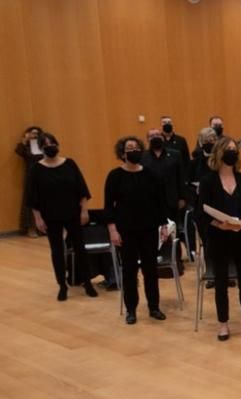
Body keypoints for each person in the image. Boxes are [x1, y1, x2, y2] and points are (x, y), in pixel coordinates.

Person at [197, 137, 241, 340]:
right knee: (221, 281)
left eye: (235, 150)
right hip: (219, 236)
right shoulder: (208, 180)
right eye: (228, 149)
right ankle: (223, 323)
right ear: (219, 152)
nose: (232, 153)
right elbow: (201, 213)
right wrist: (219, 224)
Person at [104, 136, 169, 325]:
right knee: (129, 270)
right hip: (126, 230)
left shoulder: (150, 174)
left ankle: (154, 307)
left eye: (136, 147)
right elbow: (109, 206)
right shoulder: (115, 176)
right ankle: (131, 309)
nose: (133, 150)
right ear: (123, 153)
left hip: (148, 228)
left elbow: (159, 203)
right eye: (129, 148)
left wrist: (163, 225)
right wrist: (112, 230)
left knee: (151, 270)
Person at [27, 132, 98, 300]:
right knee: (56, 250)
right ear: (41, 148)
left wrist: (84, 210)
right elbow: (32, 196)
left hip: (72, 212)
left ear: (57, 145)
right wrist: (38, 218)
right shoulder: (36, 168)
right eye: (45, 145)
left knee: (80, 248)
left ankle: (87, 282)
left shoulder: (69, 163)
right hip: (50, 214)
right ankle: (62, 285)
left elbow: (81, 189)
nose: (50, 147)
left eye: (52, 143)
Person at [141, 127, 187, 224]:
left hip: (171, 200)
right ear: (147, 139)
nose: (155, 137)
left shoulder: (175, 154)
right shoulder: (142, 157)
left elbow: (181, 177)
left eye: (158, 135)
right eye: (152, 136)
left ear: (162, 137)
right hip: (150, 201)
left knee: (173, 231)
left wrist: (182, 197)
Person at [15, 125, 44, 235]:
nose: (35, 135)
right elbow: (19, 151)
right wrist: (25, 139)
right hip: (30, 176)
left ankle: (43, 227)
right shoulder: (25, 147)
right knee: (30, 202)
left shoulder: (43, 145)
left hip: (44, 175)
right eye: (32, 133)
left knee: (44, 201)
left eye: (37, 134)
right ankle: (30, 228)